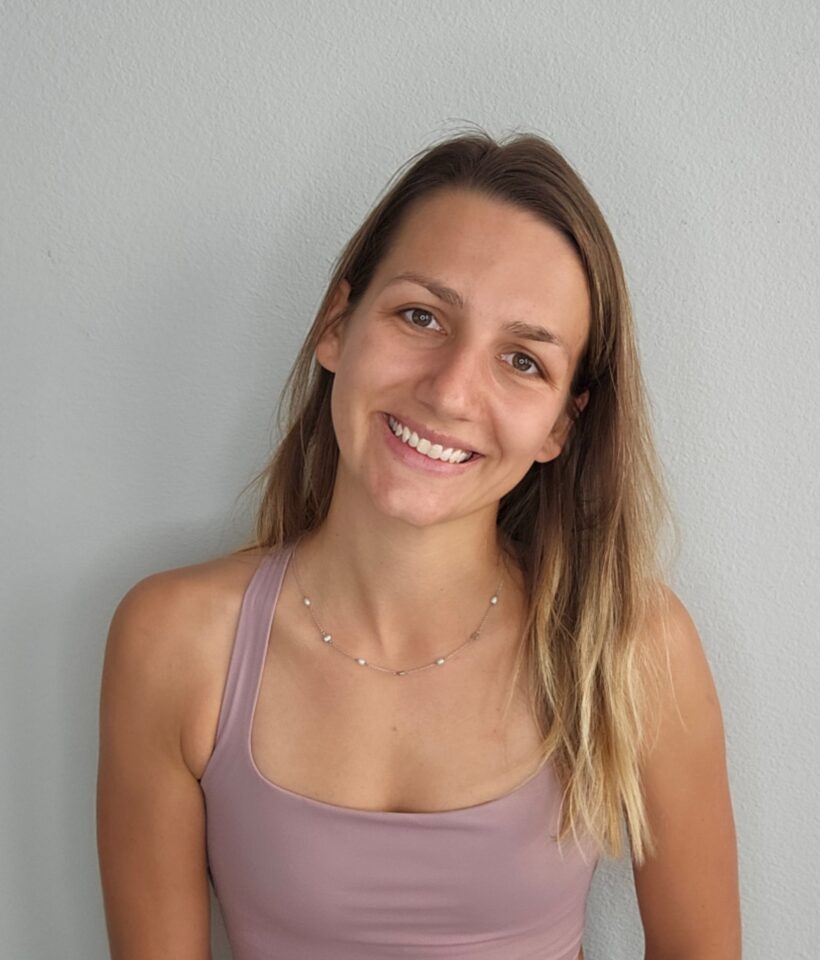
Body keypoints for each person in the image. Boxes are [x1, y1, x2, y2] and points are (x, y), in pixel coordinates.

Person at [96, 130, 741, 959]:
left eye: (522, 360)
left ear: (560, 426)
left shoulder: (631, 645)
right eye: (421, 316)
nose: (450, 391)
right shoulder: (175, 643)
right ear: (337, 325)